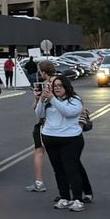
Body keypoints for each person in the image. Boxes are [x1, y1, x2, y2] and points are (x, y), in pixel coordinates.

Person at [37, 75, 89, 211]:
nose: (57, 88)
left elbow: (68, 113)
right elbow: (39, 114)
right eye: (54, 86)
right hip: (50, 137)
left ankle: (77, 198)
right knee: (58, 170)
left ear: (66, 87)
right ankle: (64, 197)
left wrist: (53, 99)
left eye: (60, 85)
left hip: (71, 138)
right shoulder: (49, 100)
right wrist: (41, 100)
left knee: (71, 168)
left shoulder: (74, 100)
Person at [25, 60, 58, 194]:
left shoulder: (47, 85)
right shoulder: (61, 84)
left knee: (39, 151)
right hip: (62, 125)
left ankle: (39, 182)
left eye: (40, 71)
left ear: (43, 72)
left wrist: (38, 99)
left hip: (46, 123)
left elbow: (36, 110)